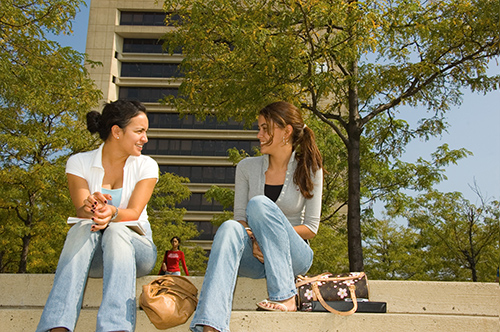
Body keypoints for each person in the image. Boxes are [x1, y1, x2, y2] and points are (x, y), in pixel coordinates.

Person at [190, 101, 323, 332]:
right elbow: (241, 218)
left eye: (264, 128)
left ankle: (284, 296)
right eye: (259, 128)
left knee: (259, 204)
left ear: (286, 131)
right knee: (229, 228)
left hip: (294, 256)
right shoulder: (246, 167)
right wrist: (255, 239)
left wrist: (269, 236)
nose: (258, 134)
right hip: (255, 255)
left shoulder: (311, 168)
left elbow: (311, 227)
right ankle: (211, 324)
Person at [36, 100, 159, 332]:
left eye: (146, 132)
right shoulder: (78, 162)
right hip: (91, 254)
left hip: (136, 252)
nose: (145, 138)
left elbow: (133, 212)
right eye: (139, 131)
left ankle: (116, 327)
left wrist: (112, 213)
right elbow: (80, 210)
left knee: (116, 230)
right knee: (81, 227)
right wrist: (91, 206)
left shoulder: (147, 166)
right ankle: (57, 327)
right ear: (117, 132)